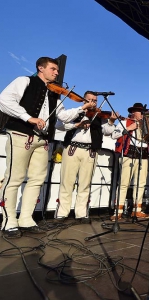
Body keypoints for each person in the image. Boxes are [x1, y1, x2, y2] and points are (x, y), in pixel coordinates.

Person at [0, 57, 95, 238]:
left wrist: (82, 108)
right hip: (21, 134)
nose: (57, 73)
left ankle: (26, 219)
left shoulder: (54, 93)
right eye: (53, 69)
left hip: (42, 140)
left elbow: (63, 117)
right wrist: (28, 117)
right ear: (40, 68)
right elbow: (4, 100)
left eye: (57, 70)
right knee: (14, 177)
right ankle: (8, 221)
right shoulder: (25, 81)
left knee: (37, 179)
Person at [54, 91, 118, 223]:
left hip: (90, 151)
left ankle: (81, 213)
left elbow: (107, 131)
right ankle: (62, 213)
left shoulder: (98, 116)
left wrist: (111, 121)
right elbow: (59, 125)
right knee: (67, 182)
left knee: (85, 184)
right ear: (84, 100)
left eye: (95, 100)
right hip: (73, 148)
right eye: (90, 100)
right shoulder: (75, 112)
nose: (93, 103)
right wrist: (77, 124)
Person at [111, 103, 149, 220]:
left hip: (143, 155)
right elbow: (114, 134)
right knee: (124, 183)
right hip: (128, 154)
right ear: (133, 112)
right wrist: (129, 128)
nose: (142, 114)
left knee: (141, 183)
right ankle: (118, 211)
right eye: (140, 111)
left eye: (143, 112)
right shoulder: (125, 122)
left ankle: (137, 210)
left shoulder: (147, 126)